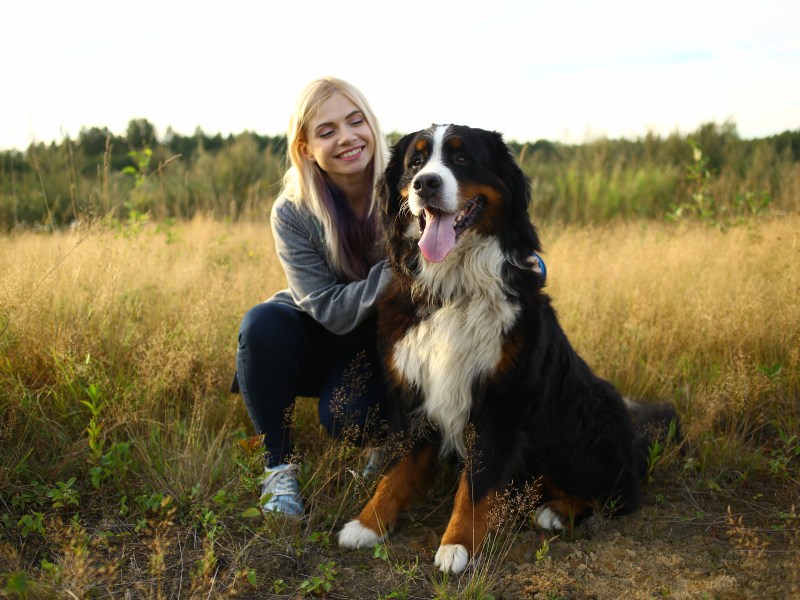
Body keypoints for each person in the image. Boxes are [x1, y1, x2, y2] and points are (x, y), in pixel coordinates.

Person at [233, 77, 392, 516]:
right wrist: (399, 269)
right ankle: (279, 471)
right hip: (325, 330)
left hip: (387, 340)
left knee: (347, 415)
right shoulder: (292, 210)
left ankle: (386, 444)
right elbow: (329, 311)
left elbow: (474, 224)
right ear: (305, 148)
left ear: (371, 124)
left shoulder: (408, 181)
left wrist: (526, 262)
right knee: (261, 324)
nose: (347, 138)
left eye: (355, 121)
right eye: (327, 131)